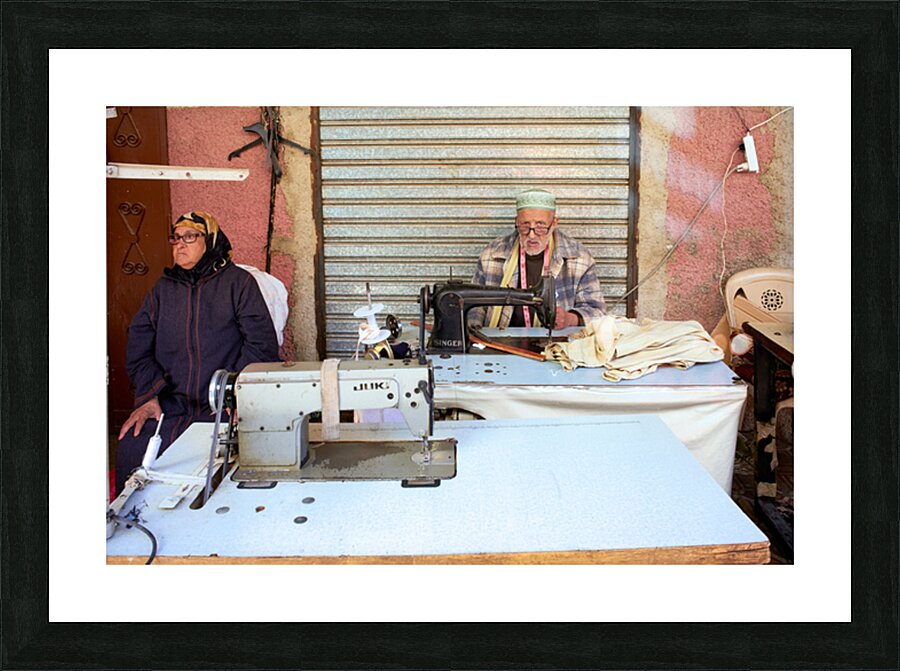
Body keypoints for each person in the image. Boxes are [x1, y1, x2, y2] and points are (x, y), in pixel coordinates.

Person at [114, 211, 280, 494]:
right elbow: (139, 345)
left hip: (221, 404)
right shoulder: (163, 289)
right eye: (176, 237)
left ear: (211, 240)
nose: (180, 244)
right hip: (171, 404)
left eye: (190, 236)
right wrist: (149, 396)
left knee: (230, 464)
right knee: (134, 444)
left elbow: (261, 343)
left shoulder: (238, 284)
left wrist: (238, 392)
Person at [468, 188, 606, 329]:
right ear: (516, 222)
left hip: (558, 346)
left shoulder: (579, 258)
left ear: (554, 223)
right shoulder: (492, 255)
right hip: (501, 340)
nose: (532, 235)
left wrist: (569, 319)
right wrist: (474, 331)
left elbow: (597, 311)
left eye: (540, 226)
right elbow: (474, 306)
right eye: (525, 225)